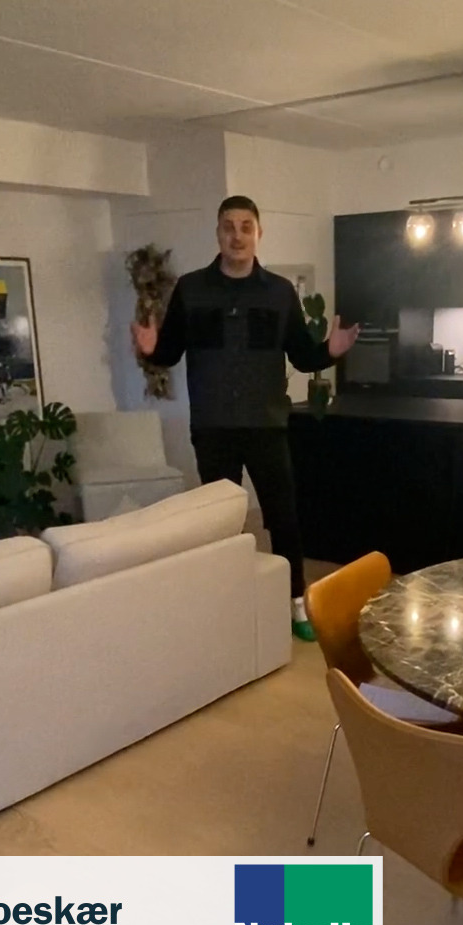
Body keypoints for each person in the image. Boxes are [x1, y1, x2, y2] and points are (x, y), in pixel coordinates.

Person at [131, 196, 358, 641]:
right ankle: (227, 602)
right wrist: (151, 349)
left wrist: (329, 352)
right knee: (220, 523)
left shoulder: (279, 292)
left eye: (245, 226)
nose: (237, 235)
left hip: (266, 425)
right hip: (212, 427)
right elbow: (170, 352)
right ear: (217, 233)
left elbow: (302, 354)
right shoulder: (191, 289)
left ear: (258, 233)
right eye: (228, 226)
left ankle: (297, 603)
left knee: (283, 518)